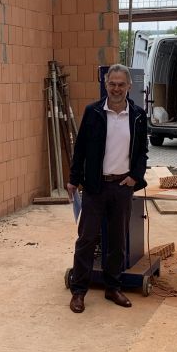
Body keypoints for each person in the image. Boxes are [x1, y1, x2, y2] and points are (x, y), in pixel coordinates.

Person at [67, 64, 148, 314]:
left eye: (121, 84)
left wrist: (136, 176)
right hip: (95, 186)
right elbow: (80, 148)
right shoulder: (93, 112)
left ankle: (113, 287)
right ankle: (79, 291)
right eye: (111, 83)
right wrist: (74, 178)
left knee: (117, 241)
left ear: (129, 87)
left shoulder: (137, 115)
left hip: (121, 187)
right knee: (87, 239)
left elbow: (142, 152)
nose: (115, 88)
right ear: (105, 84)